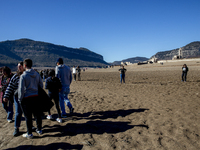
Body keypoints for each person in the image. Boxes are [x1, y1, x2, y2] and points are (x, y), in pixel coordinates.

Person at [18, 59, 43, 139]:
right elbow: (41, 85)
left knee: (28, 117)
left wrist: (20, 99)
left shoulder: (23, 76)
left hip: (27, 98)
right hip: (36, 96)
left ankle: (29, 133)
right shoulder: (37, 74)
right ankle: (39, 129)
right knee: (37, 115)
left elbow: (21, 89)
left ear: (24, 65)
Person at [3, 62, 24, 136]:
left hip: (27, 97)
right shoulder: (16, 76)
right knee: (18, 112)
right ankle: (16, 128)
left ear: (24, 66)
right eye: (18, 66)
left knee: (28, 113)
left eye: (20, 66)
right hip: (17, 97)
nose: (19, 67)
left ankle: (31, 126)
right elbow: (10, 86)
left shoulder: (28, 75)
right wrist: (6, 96)